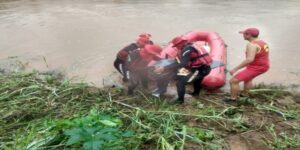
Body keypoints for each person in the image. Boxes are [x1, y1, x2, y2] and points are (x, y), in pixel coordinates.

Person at [155, 36, 212, 104]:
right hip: (195, 68)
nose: (176, 47)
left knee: (180, 83)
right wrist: (165, 68)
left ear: (181, 43)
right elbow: (177, 62)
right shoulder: (186, 48)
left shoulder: (187, 50)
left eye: (176, 45)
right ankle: (196, 93)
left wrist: (164, 68)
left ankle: (180, 101)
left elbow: (183, 64)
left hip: (200, 70)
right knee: (175, 76)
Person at [223, 28, 270, 103]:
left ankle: (233, 99)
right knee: (248, 78)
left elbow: (249, 59)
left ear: (249, 35)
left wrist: (235, 69)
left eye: (244, 34)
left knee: (233, 81)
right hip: (263, 65)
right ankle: (244, 94)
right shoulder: (262, 42)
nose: (243, 36)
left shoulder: (252, 45)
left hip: (256, 67)